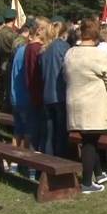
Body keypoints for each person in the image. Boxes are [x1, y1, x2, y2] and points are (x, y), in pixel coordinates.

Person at [64, 18, 107, 194]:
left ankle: (99, 173)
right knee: (90, 141)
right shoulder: (98, 55)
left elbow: (66, 75)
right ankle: (87, 182)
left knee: (90, 139)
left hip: (74, 101)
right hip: (93, 103)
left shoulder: (70, 53)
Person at [40, 21, 70, 157]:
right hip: (60, 94)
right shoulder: (63, 47)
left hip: (47, 94)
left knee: (49, 132)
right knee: (61, 133)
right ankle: (59, 162)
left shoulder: (45, 48)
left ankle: (48, 160)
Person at [24, 17, 50, 152]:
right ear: (40, 31)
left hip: (33, 91)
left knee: (34, 127)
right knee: (39, 129)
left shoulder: (29, 47)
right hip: (39, 92)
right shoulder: (37, 49)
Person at [0, 9, 19, 112]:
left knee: (3, 90)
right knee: (10, 89)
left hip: (1, 63)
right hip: (10, 63)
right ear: (14, 20)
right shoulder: (12, 34)